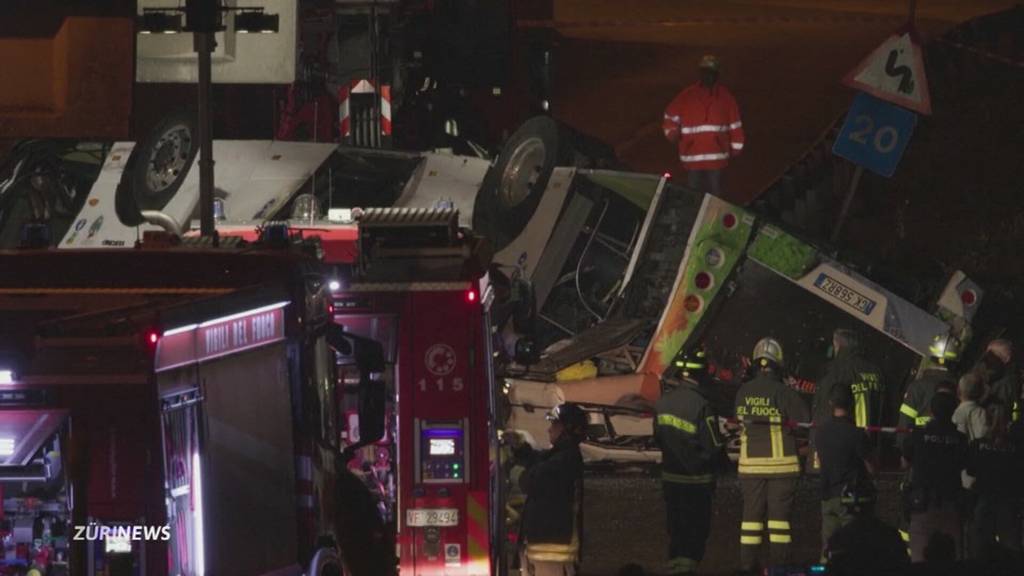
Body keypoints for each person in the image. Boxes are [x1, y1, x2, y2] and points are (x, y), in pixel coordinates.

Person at [734, 337, 810, 574]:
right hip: (782, 468)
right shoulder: (783, 392)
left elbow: (738, 421)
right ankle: (780, 566)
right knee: (779, 522)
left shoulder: (742, 392)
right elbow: (803, 422)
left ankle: (747, 566)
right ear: (779, 364)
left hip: (750, 467)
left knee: (750, 520)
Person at [654, 346, 724, 575]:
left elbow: (658, 439)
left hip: (671, 481)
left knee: (676, 529)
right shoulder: (702, 405)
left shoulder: (663, 402)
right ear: (702, 373)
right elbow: (712, 446)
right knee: (695, 531)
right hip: (697, 483)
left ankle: (675, 566)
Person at [515, 402, 586, 576]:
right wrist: (520, 447)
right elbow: (538, 459)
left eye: (555, 425)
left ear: (568, 430)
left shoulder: (564, 461)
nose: (549, 429)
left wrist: (517, 473)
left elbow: (531, 480)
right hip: (547, 546)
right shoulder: (561, 455)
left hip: (552, 551)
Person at [662, 54, 745, 197]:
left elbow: (735, 124)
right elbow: (670, 116)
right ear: (700, 73)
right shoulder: (687, 95)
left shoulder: (726, 98)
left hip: (716, 159)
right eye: (705, 72)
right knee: (693, 196)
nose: (708, 76)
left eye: (711, 73)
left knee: (715, 197)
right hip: (692, 158)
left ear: (716, 75)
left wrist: (736, 147)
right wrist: (672, 134)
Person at [902, 392, 969, 563]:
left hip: (923, 506)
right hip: (951, 505)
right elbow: (969, 467)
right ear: (953, 411)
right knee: (951, 561)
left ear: (931, 411)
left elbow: (904, 463)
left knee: (919, 559)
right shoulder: (960, 439)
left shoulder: (917, 435)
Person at [811, 328, 884, 471]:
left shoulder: (836, 371)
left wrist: (817, 454)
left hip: (841, 450)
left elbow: (823, 409)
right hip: (870, 452)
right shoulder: (875, 371)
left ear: (838, 344)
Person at [816, 384, 873, 561]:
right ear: (852, 404)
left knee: (828, 549)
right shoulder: (856, 433)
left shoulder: (820, 432)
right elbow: (872, 467)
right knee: (852, 550)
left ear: (830, 403)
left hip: (827, 497)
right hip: (849, 500)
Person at [965, 416, 1024, 562]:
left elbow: (970, 471)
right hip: (1007, 500)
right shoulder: (1015, 447)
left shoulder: (977, 445)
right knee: (1010, 544)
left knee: (980, 545)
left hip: (983, 498)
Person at [825, 480, 909, 576]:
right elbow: (903, 568)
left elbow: (831, 570)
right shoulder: (891, 535)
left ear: (847, 507)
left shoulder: (839, 538)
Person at [898, 334, 962, 431]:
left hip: (919, 441)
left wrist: (902, 445)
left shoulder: (917, 386)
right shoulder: (961, 388)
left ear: (931, 357)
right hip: (949, 443)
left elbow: (904, 423)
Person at [953, 372, 989, 490]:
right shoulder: (981, 413)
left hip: (960, 467)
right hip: (978, 468)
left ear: (959, 391)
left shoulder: (956, 413)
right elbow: (983, 437)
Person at [975, 339, 1021, 426]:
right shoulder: (991, 376)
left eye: (992, 355)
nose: (987, 359)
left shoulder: (1007, 383)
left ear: (1005, 359)